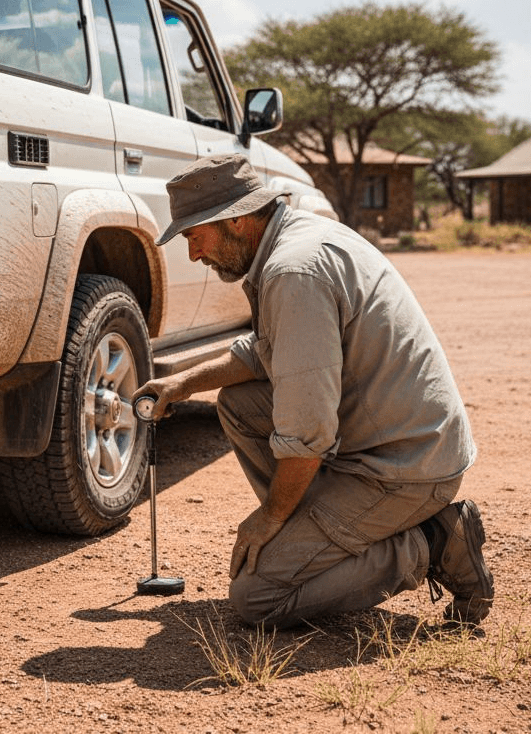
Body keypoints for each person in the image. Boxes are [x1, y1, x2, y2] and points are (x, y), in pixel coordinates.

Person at [134, 153, 493, 628]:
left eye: (195, 236)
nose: (194, 254)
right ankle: (317, 536)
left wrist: (272, 517)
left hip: (405, 468)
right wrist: (183, 383)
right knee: (240, 405)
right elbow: (269, 350)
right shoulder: (296, 237)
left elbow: (308, 432)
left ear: (236, 220)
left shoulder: (293, 272)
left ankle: (434, 542)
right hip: (383, 440)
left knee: (256, 598)